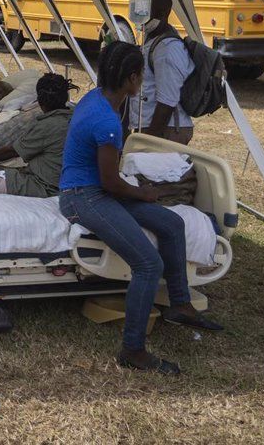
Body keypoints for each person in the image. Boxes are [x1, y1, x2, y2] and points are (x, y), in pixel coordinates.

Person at [59, 42, 221, 375]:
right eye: (142, 75)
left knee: (172, 224)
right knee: (148, 263)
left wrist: (135, 191)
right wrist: (142, 193)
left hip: (97, 189)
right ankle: (132, 350)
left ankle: (180, 305)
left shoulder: (97, 99)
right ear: (133, 78)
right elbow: (109, 183)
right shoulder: (105, 119)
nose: (143, 80)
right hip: (82, 196)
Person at [0, 73, 76, 197]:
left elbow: (12, 151)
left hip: (45, 186)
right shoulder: (74, 117)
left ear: (39, 100)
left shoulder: (48, 125)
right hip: (60, 181)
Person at [137, 0, 194, 144]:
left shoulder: (167, 49)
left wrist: (148, 142)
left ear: (163, 13)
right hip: (157, 127)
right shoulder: (153, 40)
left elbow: (167, 102)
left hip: (166, 130)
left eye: (147, 11)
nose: (142, 16)